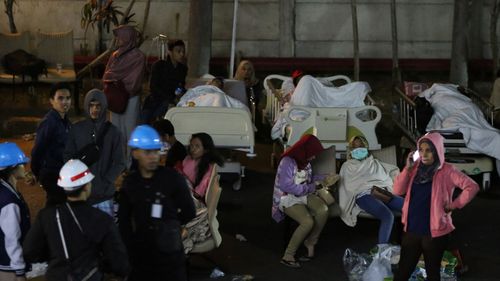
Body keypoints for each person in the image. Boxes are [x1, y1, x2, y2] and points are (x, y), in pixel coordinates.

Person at [392, 132, 479, 281]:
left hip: (435, 234)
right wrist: (407, 169)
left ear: (437, 151)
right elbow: (397, 191)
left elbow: (472, 186)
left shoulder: (447, 171)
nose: (424, 154)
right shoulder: (414, 169)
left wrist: (454, 205)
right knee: (402, 272)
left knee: (432, 274)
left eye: (429, 150)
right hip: (412, 230)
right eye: (421, 150)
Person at [23, 159, 130, 281]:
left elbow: (29, 251)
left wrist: (54, 256)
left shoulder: (46, 216)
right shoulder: (102, 219)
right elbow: (119, 263)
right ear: (86, 186)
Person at [118, 125, 196, 281]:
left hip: (170, 257)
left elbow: (189, 211)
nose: (153, 157)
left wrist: (171, 224)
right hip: (142, 257)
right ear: (135, 153)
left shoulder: (173, 179)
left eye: (155, 151)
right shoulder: (130, 184)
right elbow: (124, 221)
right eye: (147, 152)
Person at [271, 134, 333, 268]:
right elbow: (285, 186)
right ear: (305, 150)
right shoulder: (287, 161)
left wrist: (325, 178)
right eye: (313, 153)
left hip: (303, 193)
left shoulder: (305, 162)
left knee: (323, 210)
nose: (314, 157)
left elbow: (308, 179)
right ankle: (288, 255)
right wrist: (312, 187)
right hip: (286, 196)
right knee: (307, 221)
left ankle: (310, 241)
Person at [64, 89, 125, 216]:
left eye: (98, 106)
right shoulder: (76, 130)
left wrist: (105, 181)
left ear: (104, 107)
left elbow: (120, 162)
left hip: (104, 197)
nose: (94, 109)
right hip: (81, 195)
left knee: (103, 234)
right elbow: (67, 157)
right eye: (91, 105)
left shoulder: (114, 133)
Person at [338, 136, 404, 245]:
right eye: (355, 147)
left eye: (361, 146)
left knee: (409, 207)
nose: (358, 149)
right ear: (351, 150)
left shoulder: (373, 162)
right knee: (388, 216)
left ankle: (415, 241)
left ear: (366, 147)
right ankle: (381, 253)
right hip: (363, 195)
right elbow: (347, 187)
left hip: (379, 191)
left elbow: (384, 176)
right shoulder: (347, 166)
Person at [103, 25, 146, 169]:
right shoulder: (115, 55)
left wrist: (116, 82)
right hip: (116, 98)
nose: (118, 39)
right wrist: (115, 81)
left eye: (121, 36)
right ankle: (119, 163)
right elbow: (107, 75)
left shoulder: (138, 56)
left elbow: (134, 81)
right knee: (117, 131)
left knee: (130, 131)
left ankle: (130, 164)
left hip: (130, 98)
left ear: (128, 37)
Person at [178, 133, 224, 253]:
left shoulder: (208, 166)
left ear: (206, 150)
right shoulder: (187, 159)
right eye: (191, 146)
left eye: (197, 146)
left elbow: (199, 192)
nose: (193, 149)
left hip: (195, 201)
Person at [30, 82, 72, 205]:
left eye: (68, 98)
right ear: (51, 101)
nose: (65, 102)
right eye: (60, 98)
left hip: (61, 173)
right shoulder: (49, 123)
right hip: (52, 175)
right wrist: (37, 173)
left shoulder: (65, 121)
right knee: (56, 205)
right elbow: (37, 150)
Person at [0, 143, 31, 281]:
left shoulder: (5, 190)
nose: (24, 167)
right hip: (9, 268)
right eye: (21, 164)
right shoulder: (9, 199)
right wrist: (19, 272)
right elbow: (12, 238)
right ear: (12, 168)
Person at [144, 39, 188, 123]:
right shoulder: (159, 65)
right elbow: (153, 86)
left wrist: (179, 93)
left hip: (171, 102)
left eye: (183, 51)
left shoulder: (182, 69)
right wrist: (170, 98)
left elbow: (181, 85)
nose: (182, 54)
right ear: (170, 52)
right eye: (178, 51)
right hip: (155, 102)